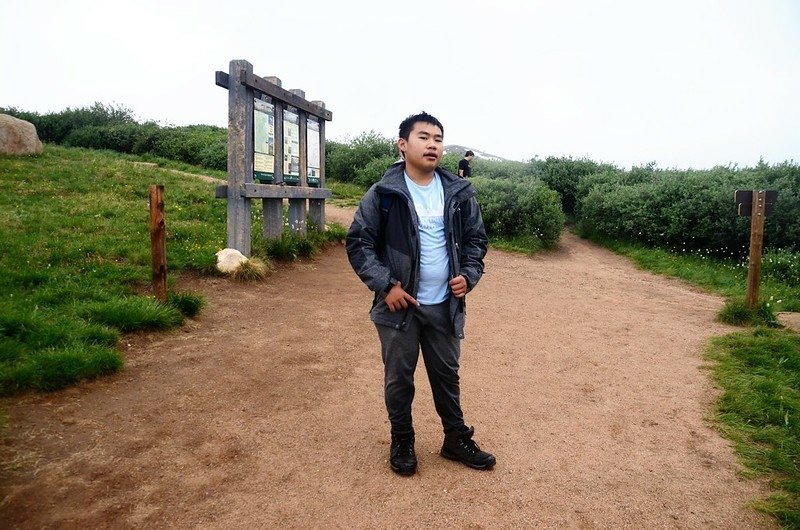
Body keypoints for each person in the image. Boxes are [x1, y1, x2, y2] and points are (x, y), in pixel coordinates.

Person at [346, 112, 495, 476]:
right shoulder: (384, 192)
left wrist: (468, 275)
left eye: (438, 139)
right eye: (424, 137)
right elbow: (359, 242)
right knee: (399, 377)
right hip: (399, 307)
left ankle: (455, 439)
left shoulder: (458, 192)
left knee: (447, 374)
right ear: (403, 144)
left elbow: (477, 241)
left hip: (445, 305)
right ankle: (402, 440)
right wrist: (386, 285)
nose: (433, 145)